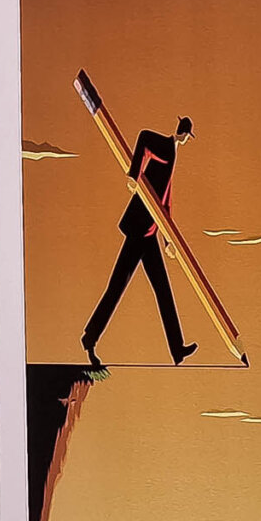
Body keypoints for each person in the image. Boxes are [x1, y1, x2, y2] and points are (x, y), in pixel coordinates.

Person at [81, 116, 196, 369]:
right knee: (117, 286)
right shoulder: (166, 146)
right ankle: (90, 338)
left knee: (162, 289)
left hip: (149, 233)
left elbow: (164, 201)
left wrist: (168, 239)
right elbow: (143, 136)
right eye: (188, 136)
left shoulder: (171, 153)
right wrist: (134, 175)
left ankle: (177, 349)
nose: (187, 139)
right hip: (138, 230)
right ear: (185, 134)